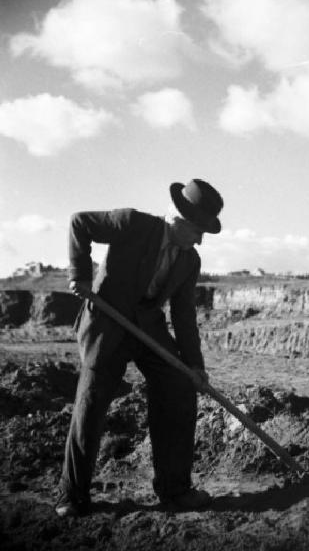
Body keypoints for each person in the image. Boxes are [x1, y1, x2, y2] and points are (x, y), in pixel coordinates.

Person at [55, 179, 224, 517]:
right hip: (106, 320)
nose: (200, 239)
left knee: (179, 387)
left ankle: (175, 489)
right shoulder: (133, 223)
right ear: (177, 218)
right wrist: (80, 274)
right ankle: (72, 496)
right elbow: (79, 222)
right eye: (197, 230)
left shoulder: (190, 261)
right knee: (92, 401)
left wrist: (195, 366)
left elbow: (184, 315)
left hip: (147, 325)